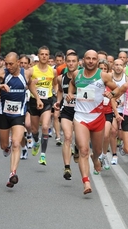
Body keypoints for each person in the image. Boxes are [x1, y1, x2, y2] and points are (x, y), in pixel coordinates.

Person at [0, 52, 42, 188]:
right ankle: (6, 148)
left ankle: (12, 173)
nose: (8, 66)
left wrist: (38, 98)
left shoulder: (26, 73)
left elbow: (31, 85)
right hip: (4, 114)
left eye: (11, 64)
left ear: (17, 63)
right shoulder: (3, 73)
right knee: (4, 145)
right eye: (6, 63)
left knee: (16, 143)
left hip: (19, 114)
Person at [67, 50, 119, 194]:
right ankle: (86, 182)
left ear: (97, 61)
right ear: (83, 60)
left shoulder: (103, 76)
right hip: (80, 117)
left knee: (96, 150)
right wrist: (70, 93)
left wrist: (111, 94)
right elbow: (72, 84)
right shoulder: (77, 74)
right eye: (88, 58)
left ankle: (95, 159)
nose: (90, 61)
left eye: (94, 59)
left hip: (97, 117)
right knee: (83, 149)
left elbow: (118, 89)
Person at [30, 46, 58, 165]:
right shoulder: (32, 70)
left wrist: (55, 94)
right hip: (33, 102)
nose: (44, 56)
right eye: (42, 54)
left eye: (46, 54)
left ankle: (43, 155)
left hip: (47, 101)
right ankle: (36, 142)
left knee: (45, 126)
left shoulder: (53, 71)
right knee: (34, 129)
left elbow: (55, 84)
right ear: (38, 55)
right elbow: (27, 85)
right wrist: (32, 84)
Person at [54, 52, 79, 180]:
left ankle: (78, 148)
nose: (71, 63)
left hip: (81, 112)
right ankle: (67, 167)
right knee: (68, 137)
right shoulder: (61, 78)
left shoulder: (82, 77)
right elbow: (59, 91)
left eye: (73, 61)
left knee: (79, 139)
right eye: (68, 61)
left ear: (78, 63)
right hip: (66, 111)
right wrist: (58, 102)